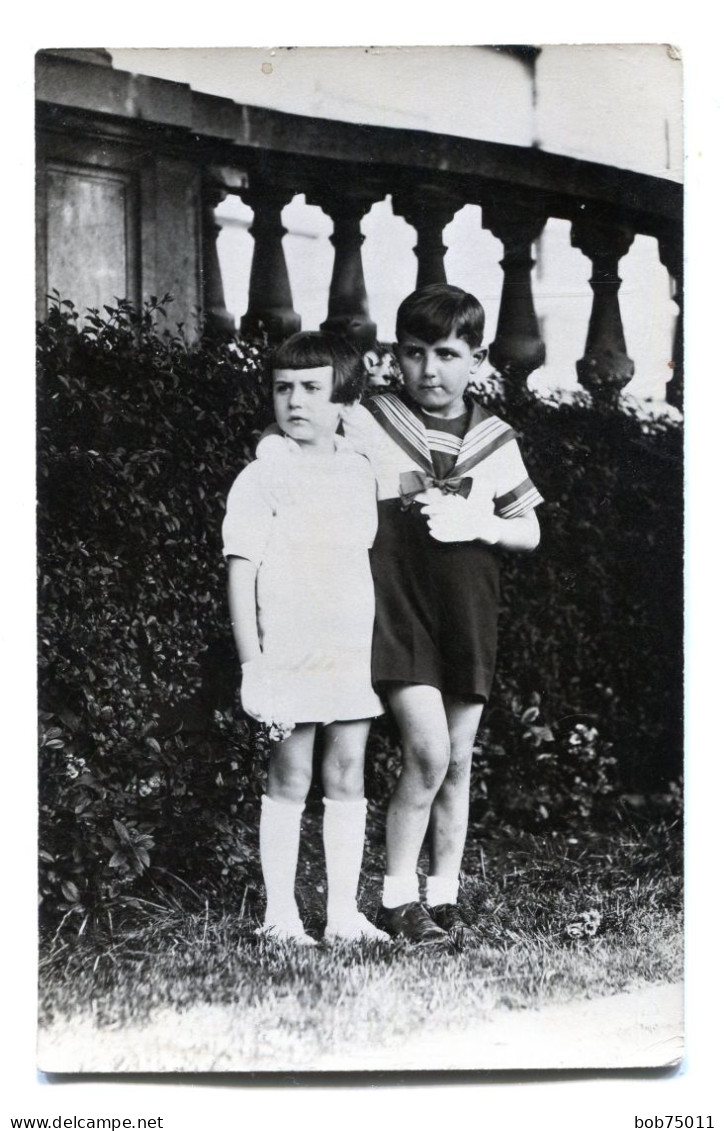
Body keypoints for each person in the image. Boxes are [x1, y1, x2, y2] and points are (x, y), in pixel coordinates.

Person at [343, 284, 543, 944]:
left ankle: (444, 896)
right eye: (416, 352)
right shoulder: (369, 420)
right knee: (425, 752)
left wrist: (481, 520)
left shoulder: (494, 439)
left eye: (448, 354)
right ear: (395, 353)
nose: (430, 369)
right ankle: (398, 898)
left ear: (478, 357)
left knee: (457, 759)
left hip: (467, 613)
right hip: (398, 609)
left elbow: (530, 531)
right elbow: (309, 455)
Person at [222, 331, 388, 946]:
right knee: (290, 775)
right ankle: (280, 915)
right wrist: (253, 664)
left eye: (314, 389)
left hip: (350, 647)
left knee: (348, 773)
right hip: (288, 651)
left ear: (344, 399)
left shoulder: (361, 471)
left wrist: (352, 423)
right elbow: (242, 571)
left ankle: (343, 915)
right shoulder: (263, 477)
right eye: (283, 387)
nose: (295, 401)